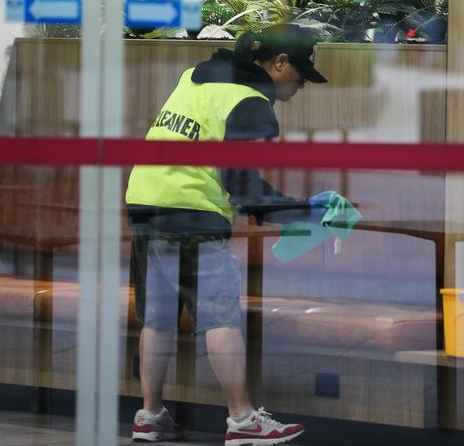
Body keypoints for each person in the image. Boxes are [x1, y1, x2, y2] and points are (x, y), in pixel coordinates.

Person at [125, 24, 329, 445]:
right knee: (219, 316)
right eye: (302, 73)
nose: (302, 84)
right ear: (279, 63)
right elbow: (244, 186)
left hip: (146, 198)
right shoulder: (251, 102)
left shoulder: (196, 75)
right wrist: (305, 213)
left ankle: (149, 414)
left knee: (159, 315)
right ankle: (243, 421)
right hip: (193, 212)